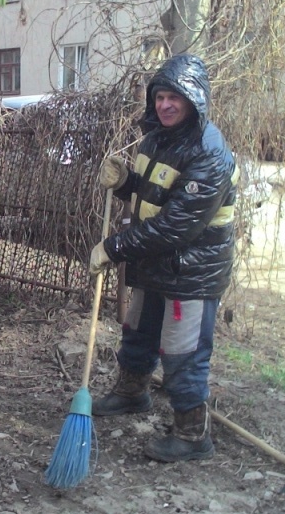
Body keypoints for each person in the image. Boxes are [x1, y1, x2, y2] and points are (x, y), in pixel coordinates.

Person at [89, 54, 237, 462]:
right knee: (137, 330)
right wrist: (125, 183)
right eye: (160, 96)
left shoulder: (210, 153)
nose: (165, 105)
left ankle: (192, 435)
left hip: (192, 271)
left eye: (176, 97)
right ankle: (132, 393)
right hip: (154, 263)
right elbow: (155, 196)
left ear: (195, 101)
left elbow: (177, 227)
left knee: (182, 350)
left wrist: (114, 249)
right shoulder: (156, 138)